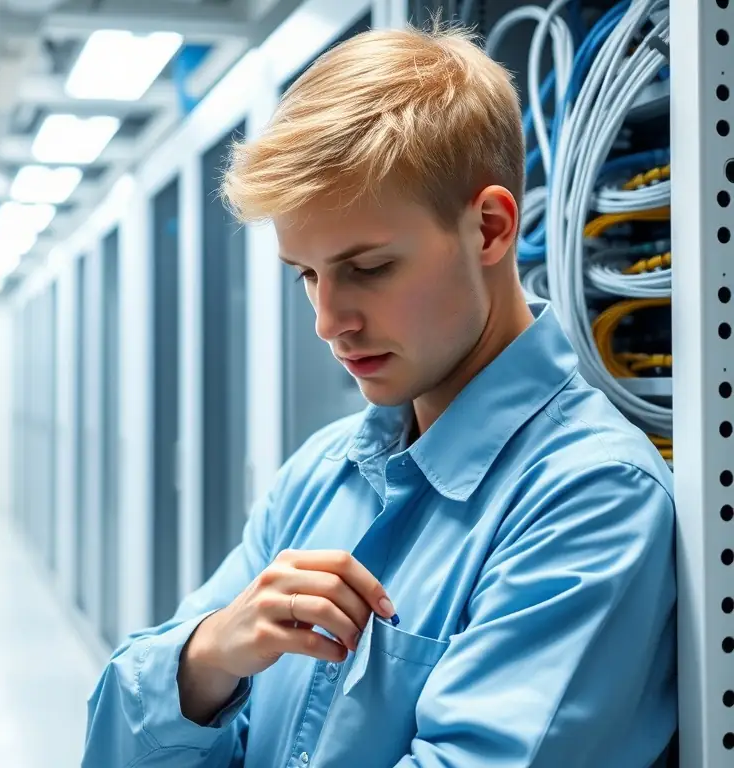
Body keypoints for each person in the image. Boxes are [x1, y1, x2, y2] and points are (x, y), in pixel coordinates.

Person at [81, 22, 676, 768]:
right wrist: (207, 655)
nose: (330, 322)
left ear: (490, 228)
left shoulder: (588, 499)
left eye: (367, 267)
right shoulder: (321, 473)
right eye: (306, 274)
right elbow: (115, 737)